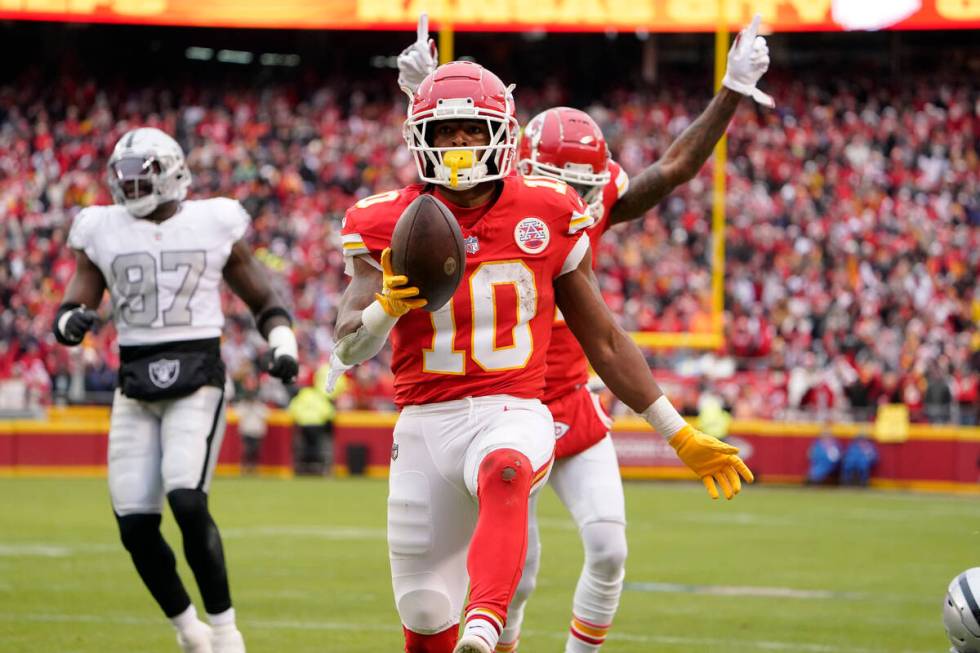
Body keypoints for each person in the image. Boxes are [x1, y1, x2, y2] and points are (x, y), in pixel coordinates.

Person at [331, 60, 753, 653]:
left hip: (513, 405)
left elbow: (603, 338)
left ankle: (484, 627)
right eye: (445, 131)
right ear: (418, 136)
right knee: (424, 613)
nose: (458, 144)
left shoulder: (549, 208)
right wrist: (383, 308)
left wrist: (676, 432)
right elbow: (347, 344)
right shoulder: (383, 220)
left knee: (507, 468)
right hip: (425, 421)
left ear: (501, 133)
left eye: (472, 130)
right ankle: (464, 629)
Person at [53, 127, 299, 653]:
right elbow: (78, 296)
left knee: (186, 498)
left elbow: (261, 293)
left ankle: (227, 632)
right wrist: (69, 320)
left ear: (172, 173)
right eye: (125, 177)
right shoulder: (100, 227)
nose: (133, 186)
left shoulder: (213, 220)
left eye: (144, 176)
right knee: (134, 523)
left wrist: (282, 343)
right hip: (134, 380)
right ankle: (190, 631)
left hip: (198, 374)